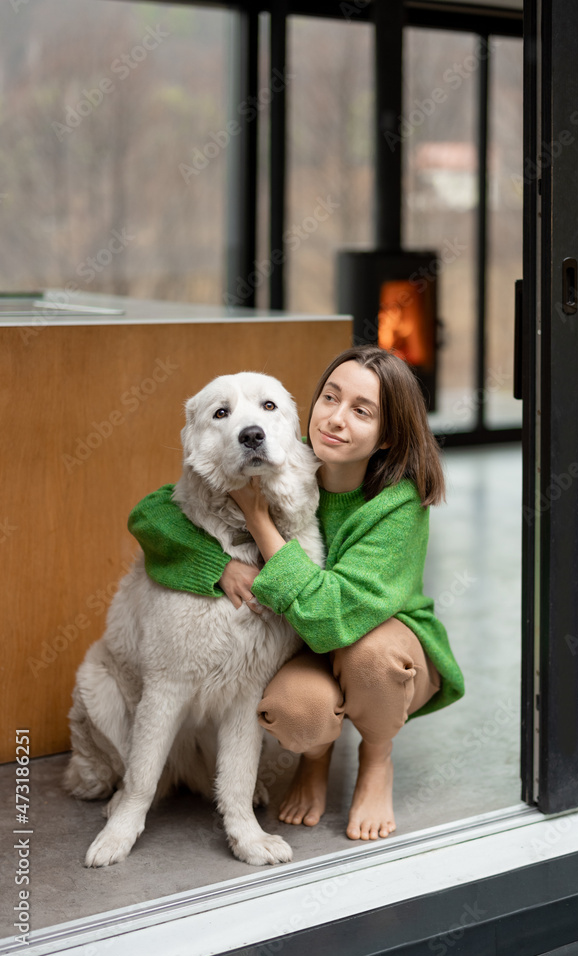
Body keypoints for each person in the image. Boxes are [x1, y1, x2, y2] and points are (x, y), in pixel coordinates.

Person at [128, 345, 464, 842]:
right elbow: (153, 512)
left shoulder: (398, 505)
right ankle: (315, 760)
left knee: (370, 660)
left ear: (388, 434)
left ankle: (376, 759)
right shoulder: (291, 458)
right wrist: (216, 565)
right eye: (330, 397)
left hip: (386, 642)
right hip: (315, 646)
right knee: (296, 712)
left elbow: (332, 618)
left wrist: (259, 520)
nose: (335, 418)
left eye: (361, 410)